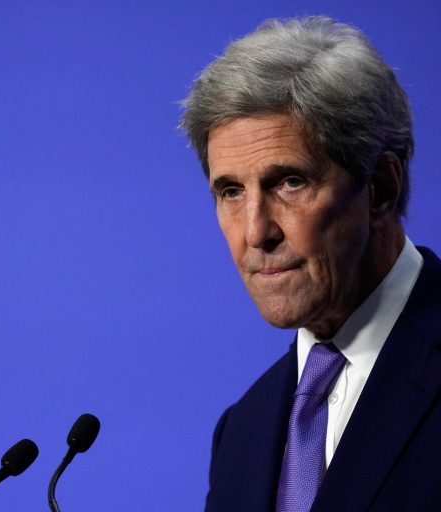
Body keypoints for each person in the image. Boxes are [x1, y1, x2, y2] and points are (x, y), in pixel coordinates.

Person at [179, 16, 441, 511]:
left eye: (289, 182)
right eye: (230, 191)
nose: (255, 232)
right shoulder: (242, 432)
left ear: (381, 188)